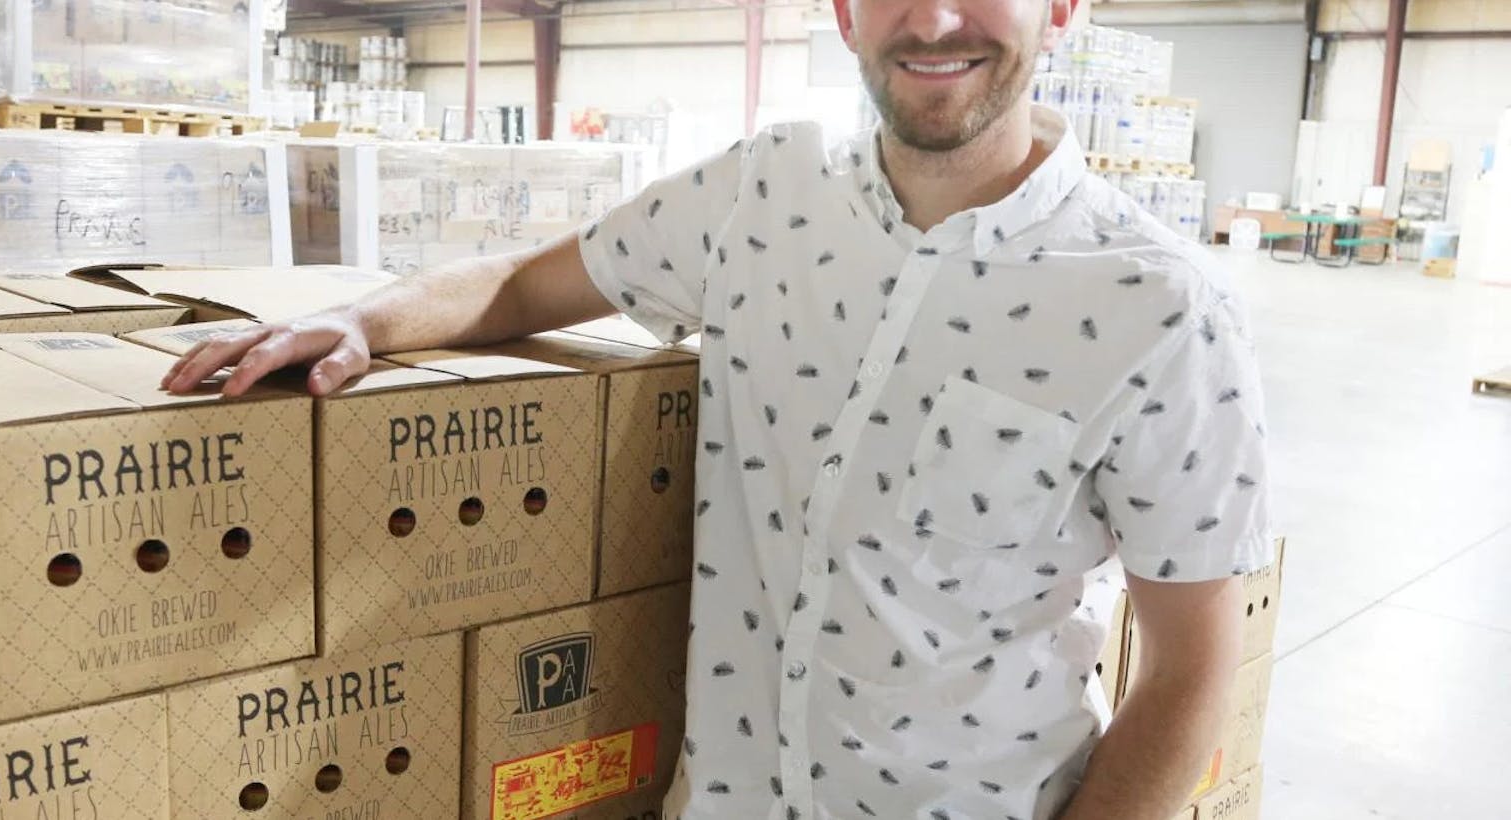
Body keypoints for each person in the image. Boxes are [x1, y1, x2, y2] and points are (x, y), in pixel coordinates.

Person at [164, 0, 1272, 817]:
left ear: (1063, 6)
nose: (935, 20)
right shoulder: (763, 193)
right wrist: (366, 319)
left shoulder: (1162, 307)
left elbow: (1192, 671)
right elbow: (527, 282)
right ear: (843, 14)